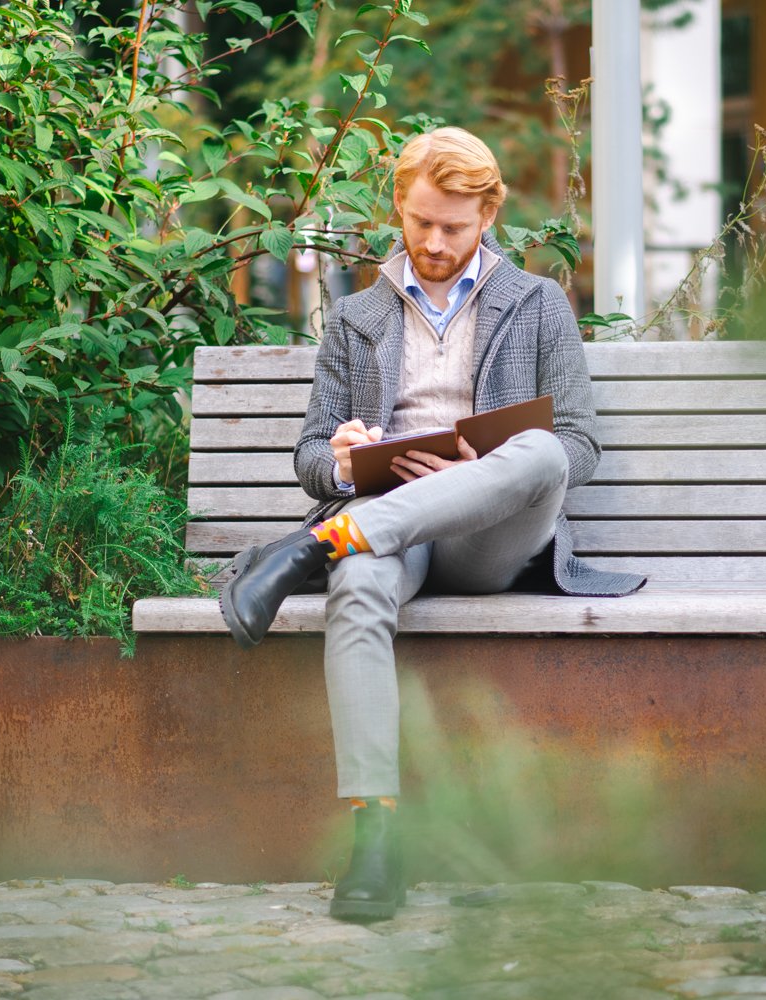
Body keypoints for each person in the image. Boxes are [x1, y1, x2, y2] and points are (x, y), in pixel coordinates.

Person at [221, 126, 645, 921]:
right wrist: (344, 462)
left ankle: (314, 544)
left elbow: (580, 447)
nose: (435, 242)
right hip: (387, 526)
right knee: (358, 583)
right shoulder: (355, 318)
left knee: (541, 454)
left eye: (454, 226)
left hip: (491, 541)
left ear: (488, 214)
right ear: (399, 209)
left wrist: (477, 475)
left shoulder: (540, 304)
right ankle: (375, 838)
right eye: (420, 223)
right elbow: (312, 454)